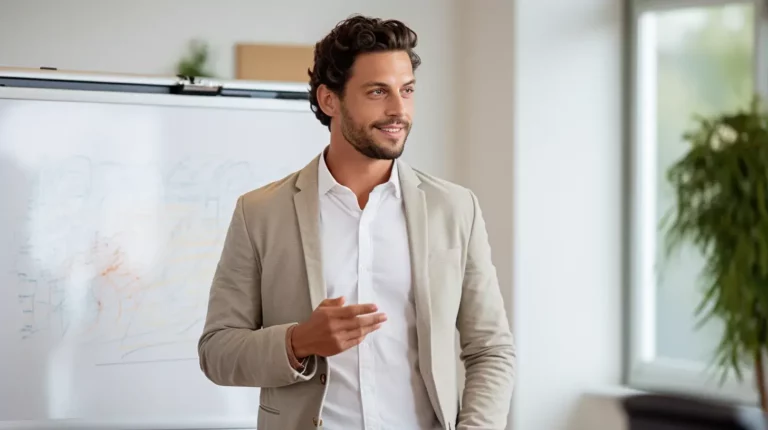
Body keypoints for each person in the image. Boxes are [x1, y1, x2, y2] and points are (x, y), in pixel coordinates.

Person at [197, 14, 515, 430]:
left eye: (407, 90)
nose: (398, 109)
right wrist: (300, 341)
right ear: (330, 100)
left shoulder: (455, 208)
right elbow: (217, 352)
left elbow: (491, 349)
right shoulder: (259, 213)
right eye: (378, 91)